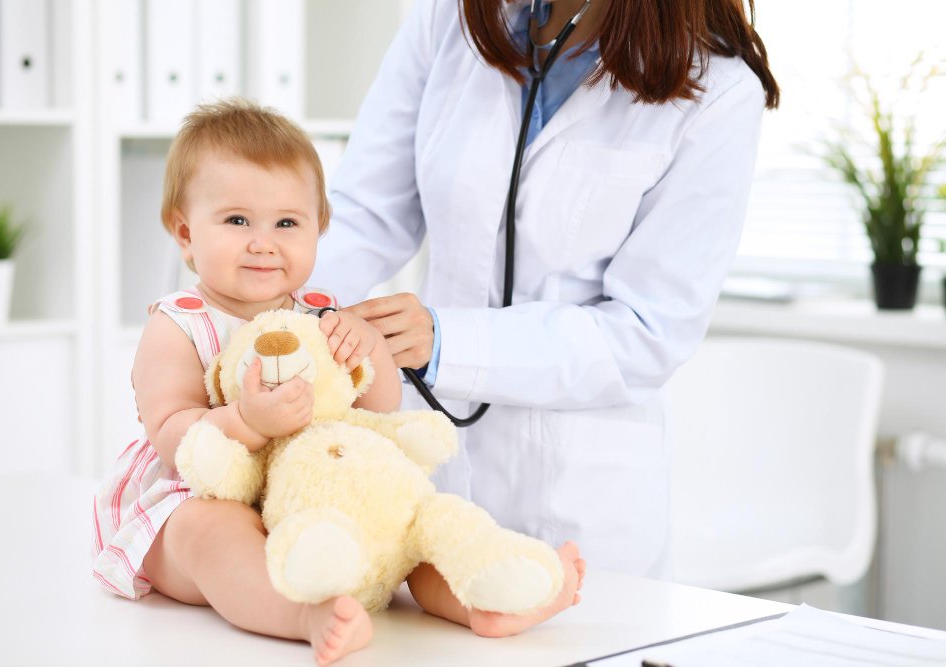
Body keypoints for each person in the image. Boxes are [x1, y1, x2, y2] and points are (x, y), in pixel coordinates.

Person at [91, 98, 585, 666]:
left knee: (402, 517)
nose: (263, 241)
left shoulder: (322, 313)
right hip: (201, 496)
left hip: (307, 494)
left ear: (318, 229)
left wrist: (368, 349)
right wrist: (246, 420)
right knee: (213, 531)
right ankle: (302, 614)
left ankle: (482, 600)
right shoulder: (179, 323)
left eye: (286, 223)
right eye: (236, 221)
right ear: (185, 233)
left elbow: (376, 413)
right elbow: (170, 435)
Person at [310, 0, 780, 579]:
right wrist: (261, 306)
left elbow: (646, 332)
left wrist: (445, 340)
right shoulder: (447, 22)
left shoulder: (719, 91)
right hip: (427, 477)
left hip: (574, 508)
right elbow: (364, 214)